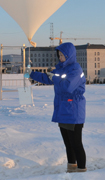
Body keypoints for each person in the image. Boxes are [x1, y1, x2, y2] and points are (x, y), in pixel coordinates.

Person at [26, 42, 87, 173]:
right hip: (63, 110)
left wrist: (55, 78)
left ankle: (82, 171)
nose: (60, 58)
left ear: (69, 55)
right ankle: (71, 169)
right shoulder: (60, 69)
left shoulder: (76, 70)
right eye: (59, 55)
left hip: (73, 111)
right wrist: (32, 74)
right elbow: (47, 77)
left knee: (76, 144)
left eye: (62, 55)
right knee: (68, 144)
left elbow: (68, 87)